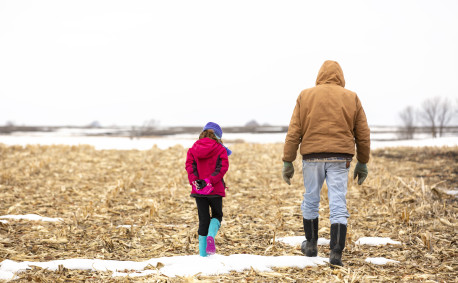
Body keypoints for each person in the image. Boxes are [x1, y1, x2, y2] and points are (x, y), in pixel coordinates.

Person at [282, 60, 370, 267]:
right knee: (338, 201)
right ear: (341, 76)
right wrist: (363, 162)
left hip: (312, 157)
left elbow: (294, 131)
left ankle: (311, 245)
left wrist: (288, 160)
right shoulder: (351, 97)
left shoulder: (305, 95)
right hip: (341, 158)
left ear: (319, 75)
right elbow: (363, 134)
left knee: (311, 198)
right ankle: (336, 252)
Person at [185, 122, 231, 257]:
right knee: (217, 215)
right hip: (215, 189)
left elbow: (190, 167)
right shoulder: (220, 149)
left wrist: (196, 182)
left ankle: (203, 254)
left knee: (203, 219)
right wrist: (209, 181)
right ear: (217, 136)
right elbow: (222, 168)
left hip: (198, 190)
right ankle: (211, 235)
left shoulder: (192, 149)